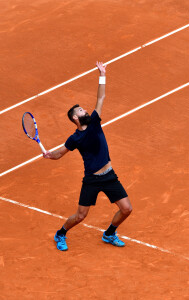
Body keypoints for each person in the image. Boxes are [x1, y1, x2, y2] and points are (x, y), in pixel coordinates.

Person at [43, 61, 132, 251]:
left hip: (109, 176)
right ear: (75, 118)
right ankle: (61, 233)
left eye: (83, 109)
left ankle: (109, 234)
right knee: (81, 216)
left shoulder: (95, 123)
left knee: (126, 209)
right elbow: (60, 153)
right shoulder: (74, 138)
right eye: (81, 110)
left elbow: (101, 98)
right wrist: (49, 155)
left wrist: (102, 75)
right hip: (91, 180)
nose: (85, 111)